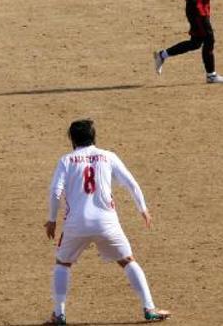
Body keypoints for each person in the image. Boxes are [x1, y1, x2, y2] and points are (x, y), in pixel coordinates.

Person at [43, 119, 170, 325]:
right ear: (93, 137)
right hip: (106, 223)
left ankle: (59, 315)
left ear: (72, 139)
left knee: (63, 264)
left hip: (76, 224)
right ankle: (149, 308)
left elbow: (55, 192)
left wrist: (51, 220)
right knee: (128, 261)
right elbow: (131, 183)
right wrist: (143, 209)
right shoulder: (108, 156)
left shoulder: (66, 160)